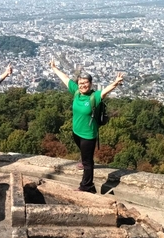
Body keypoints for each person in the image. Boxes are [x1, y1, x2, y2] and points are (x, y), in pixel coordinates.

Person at [50, 59, 124, 193]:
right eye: (81, 83)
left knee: (88, 162)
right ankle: (83, 160)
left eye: (85, 83)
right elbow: (65, 79)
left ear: (90, 84)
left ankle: (87, 186)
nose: (83, 85)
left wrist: (115, 83)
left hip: (88, 134)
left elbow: (105, 92)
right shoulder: (77, 92)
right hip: (76, 131)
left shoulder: (94, 97)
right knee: (84, 155)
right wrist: (54, 68)